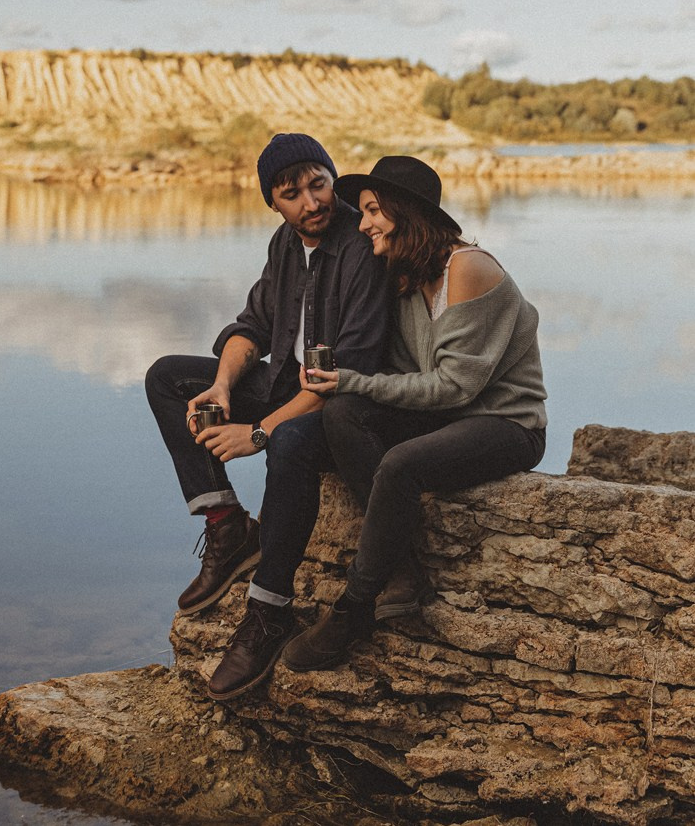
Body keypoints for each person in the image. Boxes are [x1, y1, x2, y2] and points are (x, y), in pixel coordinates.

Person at [280, 154, 547, 673]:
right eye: (362, 212)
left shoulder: (468, 269)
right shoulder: (404, 276)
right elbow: (402, 375)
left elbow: (453, 386)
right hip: (452, 417)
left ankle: (354, 606)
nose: (364, 224)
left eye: (374, 210)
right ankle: (402, 575)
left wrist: (350, 380)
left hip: (506, 424)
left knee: (401, 463)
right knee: (343, 416)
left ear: (407, 213)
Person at [145, 133, 390, 642]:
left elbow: (347, 369)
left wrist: (257, 432)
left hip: (345, 405)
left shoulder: (360, 247)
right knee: (167, 377)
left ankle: (269, 608)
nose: (311, 202)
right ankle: (227, 525)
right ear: (272, 203)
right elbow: (252, 326)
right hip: (287, 384)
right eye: (291, 195)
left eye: (318, 185)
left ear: (332, 178)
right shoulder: (285, 242)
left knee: (288, 441)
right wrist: (222, 386)